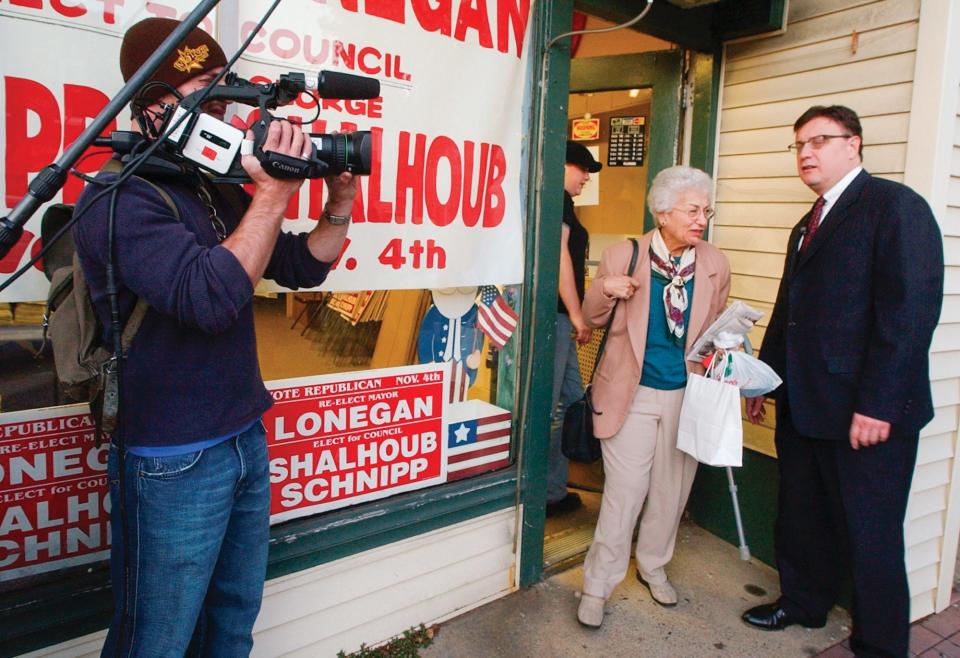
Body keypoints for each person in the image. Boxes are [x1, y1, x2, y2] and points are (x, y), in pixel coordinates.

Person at [72, 18, 357, 656]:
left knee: (231, 623)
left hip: (241, 437)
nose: (226, 107)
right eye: (206, 88)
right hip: (170, 458)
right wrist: (274, 192)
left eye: (225, 89)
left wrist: (336, 202)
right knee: (157, 639)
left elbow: (299, 265)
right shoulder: (118, 197)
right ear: (152, 102)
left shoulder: (208, 182)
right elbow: (211, 296)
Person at [741, 105, 944, 657]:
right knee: (802, 518)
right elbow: (789, 312)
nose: (805, 153)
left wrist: (879, 404)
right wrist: (765, 382)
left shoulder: (896, 208)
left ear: (853, 145)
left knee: (871, 537)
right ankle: (803, 604)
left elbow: (910, 314)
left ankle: (880, 647)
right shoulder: (807, 223)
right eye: (799, 144)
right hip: (805, 404)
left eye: (819, 140)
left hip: (866, 415)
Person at [576, 165, 731, 627]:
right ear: (662, 213)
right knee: (624, 495)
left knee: (671, 493)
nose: (701, 218)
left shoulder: (714, 263)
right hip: (632, 394)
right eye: (692, 210)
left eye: (706, 210)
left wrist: (730, 344)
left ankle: (653, 565)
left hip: (687, 395)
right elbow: (592, 317)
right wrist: (605, 289)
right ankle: (597, 585)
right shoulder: (625, 254)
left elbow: (715, 328)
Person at [545, 141, 599, 517]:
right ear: (564, 166)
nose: (585, 179)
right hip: (556, 317)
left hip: (559, 317)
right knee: (555, 408)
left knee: (571, 401)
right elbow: (560, 256)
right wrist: (577, 315)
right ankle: (544, 493)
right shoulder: (559, 201)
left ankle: (552, 489)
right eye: (583, 170)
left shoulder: (561, 202)